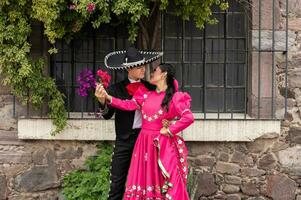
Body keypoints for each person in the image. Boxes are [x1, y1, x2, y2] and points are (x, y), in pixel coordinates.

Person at [96, 63, 194, 200]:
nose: (151, 73)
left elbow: (188, 117)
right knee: (142, 179)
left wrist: (170, 130)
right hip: (142, 144)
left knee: (159, 180)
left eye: (155, 70)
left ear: (164, 74)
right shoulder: (146, 94)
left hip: (159, 145)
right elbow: (127, 105)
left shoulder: (174, 97)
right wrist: (107, 97)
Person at [96, 47, 163, 200]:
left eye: (143, 66)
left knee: (147, 181)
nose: (143, 70)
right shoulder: (115, 89)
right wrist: (101, 101)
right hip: (124, 140)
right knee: (117, 183)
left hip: (145, 140)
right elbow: (107, 115)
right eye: (139, 67)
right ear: (128, 69)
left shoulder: (151, 88)